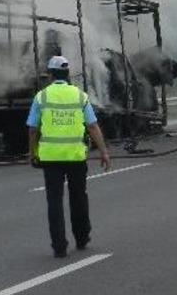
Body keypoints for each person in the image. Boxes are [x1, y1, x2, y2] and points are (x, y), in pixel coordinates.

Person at [27, 55, 111, 258]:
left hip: (51, 158)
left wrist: (32, 153)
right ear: (67, 74)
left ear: (49, 75)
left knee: (54, 202)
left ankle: (59, 246)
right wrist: (104, 152)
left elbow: (32, 128)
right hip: (75, 157)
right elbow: (92, 126)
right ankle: (82, 238)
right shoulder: (80, 96)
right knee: (79, 197)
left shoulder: (42, 97)